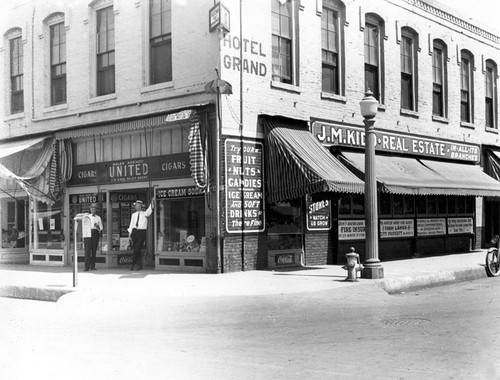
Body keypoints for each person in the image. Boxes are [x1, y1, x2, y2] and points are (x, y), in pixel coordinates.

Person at [127, 199, 154, 271]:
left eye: (139, 205)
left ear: (141, 206)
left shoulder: (145, 213)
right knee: (136, 249)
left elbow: (150, 209)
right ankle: (139, 265)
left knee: (137, 248)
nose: (137, 207)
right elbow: (131, 224)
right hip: (134, 232)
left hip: (141, 232)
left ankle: (133, 264)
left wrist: (152, 201)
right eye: (136, 205)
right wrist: (129, 234)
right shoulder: (133, 215)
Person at [83, 203, 103, 271]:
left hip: (95, 233)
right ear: (90, 210)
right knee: (87, 250)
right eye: (92, 209)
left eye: (94, 209)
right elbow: (84, 226)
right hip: (88, 233)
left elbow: (101, 228)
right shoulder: (87, 217)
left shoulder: (98, 218)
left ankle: (93, 266)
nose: (93, 210)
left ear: (96, 210)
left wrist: (97, 227)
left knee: (94, 250)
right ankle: (86, 266)